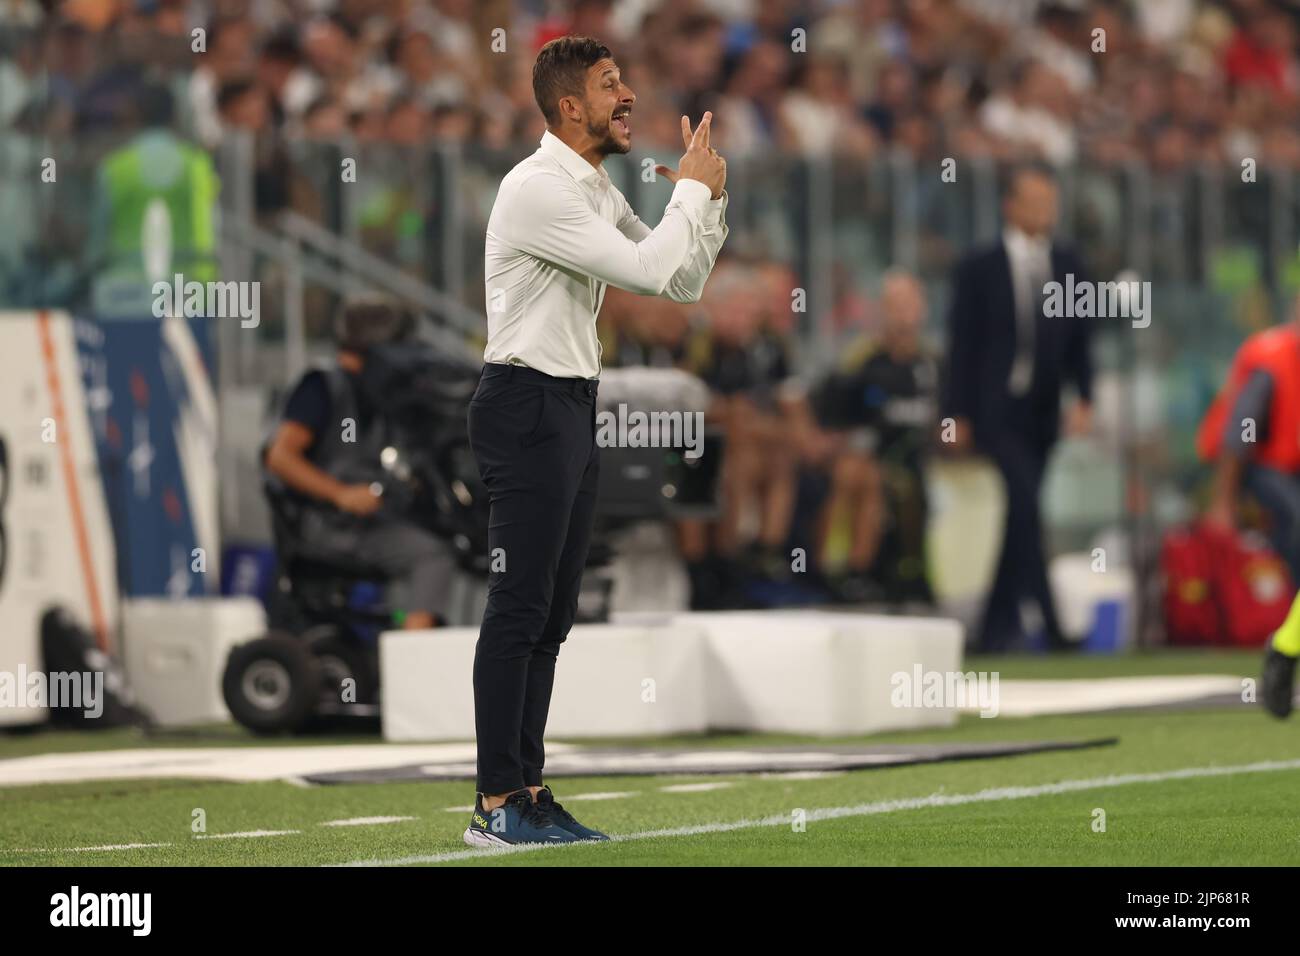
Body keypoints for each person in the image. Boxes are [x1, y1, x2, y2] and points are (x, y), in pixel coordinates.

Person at [465, 35, 727, 846]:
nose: (630, 97)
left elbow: (679, 281)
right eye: (611, 84)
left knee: (552, 614)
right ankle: (494, 803)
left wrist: (707, 203)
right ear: (569, 105)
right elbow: (649, 272)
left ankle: (530, 791)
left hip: (571, 403)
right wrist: (685, 196)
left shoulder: (589, 185)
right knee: (519, 606)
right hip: (525, 402)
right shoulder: (539, 189)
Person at [941, 163, 1093, 651]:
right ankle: (1050, 624)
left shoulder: (1069, 263)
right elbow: (961, 346)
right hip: (994, 411)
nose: (1045, 211)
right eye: (1035, 201)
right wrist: (956, 414)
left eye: (1050, 201)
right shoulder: (979, 267)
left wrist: (1085, 395)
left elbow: (1080, 342)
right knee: (1026, 504)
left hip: (1042, 411)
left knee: (1019, 517)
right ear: (1010, 205)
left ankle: (992, 630)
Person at [263, 296, 456, 632]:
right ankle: (414, 658)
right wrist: (340, 494)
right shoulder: (322, 386)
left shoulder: (379, 393)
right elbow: (279, 457)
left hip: (368, 522)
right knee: (432, 555)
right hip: (329, 526)